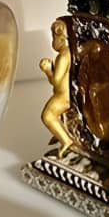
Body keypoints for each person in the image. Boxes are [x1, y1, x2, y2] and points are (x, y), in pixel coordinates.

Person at [39, 19, 74, 158]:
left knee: (47, 116)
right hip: (62, 94)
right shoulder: (67, 53)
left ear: (61, 38)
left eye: (53, 37)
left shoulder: (63, 56)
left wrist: (47, 70)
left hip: (63, 96)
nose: (53, 41)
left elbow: (56, 81)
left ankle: (66, 141)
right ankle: (60, 132)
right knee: (53, 115)